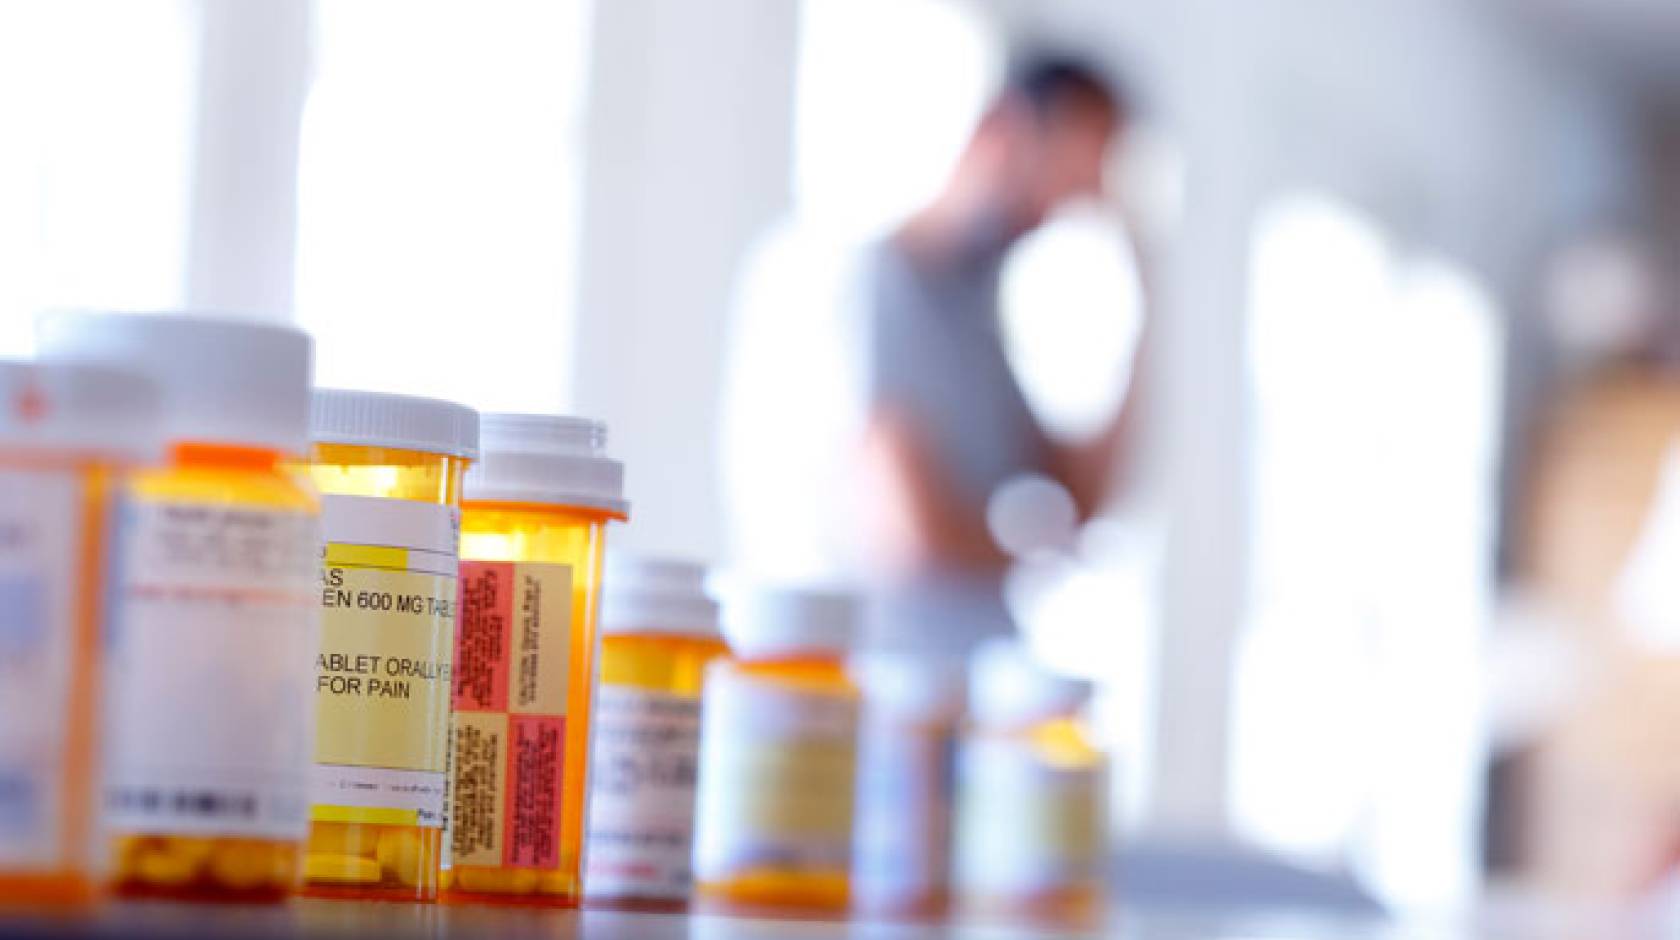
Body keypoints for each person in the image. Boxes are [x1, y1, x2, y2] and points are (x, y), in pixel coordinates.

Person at [720, 51, 1143, 634]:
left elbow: (1078, 495)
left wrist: (1146, 300)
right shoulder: (867, 282)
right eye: (1060, 179)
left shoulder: (974, 310)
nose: (1056, 212)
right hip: (877, 690)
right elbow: (914, 532)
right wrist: (1042, 552)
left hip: (965, 681)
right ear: (1002, 132)